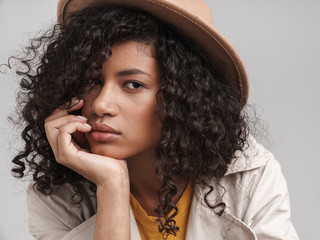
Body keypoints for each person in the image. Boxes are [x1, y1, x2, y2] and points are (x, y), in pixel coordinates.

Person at [9, 0, 298, 239]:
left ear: (184, 97)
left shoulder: (249, 176)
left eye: (133, 84)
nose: (101, 104)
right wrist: (112, 184)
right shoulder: (59, 195)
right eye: (92, 81)